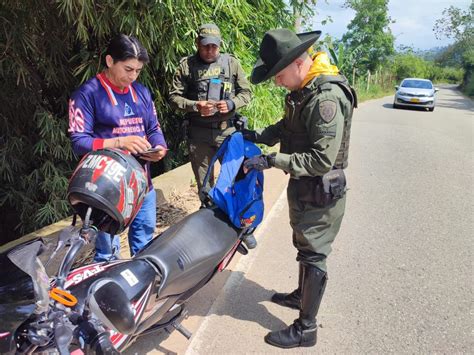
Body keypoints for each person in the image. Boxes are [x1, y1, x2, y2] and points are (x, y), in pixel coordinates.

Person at [242, 29, 357, 348]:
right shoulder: (303, 91)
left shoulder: (325, 98)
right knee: (304, 247)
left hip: (321, 188)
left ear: (297, 64)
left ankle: (306, 328)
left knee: (314, 254)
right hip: (306, 188)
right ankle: (301, 296)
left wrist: (272, 160)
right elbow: (287, 127)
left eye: (279, 75)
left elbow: (322, 159)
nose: (277, 82)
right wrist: (258, 136)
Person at [68, 34, 167, 262]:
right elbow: (79, 142)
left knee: (144, 247)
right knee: (106, 254)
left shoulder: (141, 92)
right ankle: (105, 295)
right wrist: (119, 142)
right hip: (105, 190)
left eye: (138, 71)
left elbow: (153, 127)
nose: (132, 76)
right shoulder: (87, 94)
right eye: (128, 69)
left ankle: (140, 291)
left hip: (142, 184)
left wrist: (160, 146)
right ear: (110, 61)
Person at [169, 23, 256, 249]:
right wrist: (195, 106)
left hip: (227, 133)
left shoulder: (232, 63)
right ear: (197, 44)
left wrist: (230, 103)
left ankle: (242, 226)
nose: (210, 51)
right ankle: (210, 230)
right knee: (204, 184)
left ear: (220, 46)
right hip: (198, 136)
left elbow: (247, 93)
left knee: (236, 179)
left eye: (214, 47)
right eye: (206, 46)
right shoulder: (186, 66)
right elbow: (174, 97)